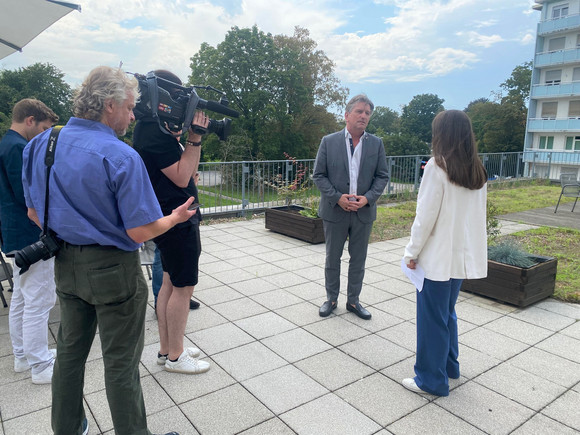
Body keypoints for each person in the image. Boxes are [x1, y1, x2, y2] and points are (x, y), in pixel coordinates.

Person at [22, 66, 190, 435]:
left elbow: (34, 211)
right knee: (120, 362)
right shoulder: (119, 155)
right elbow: (140, 229)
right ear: (109, 105)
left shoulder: (42, 143)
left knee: (69, 353)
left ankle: (67, 428)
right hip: (114, 270)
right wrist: (174, 219)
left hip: (64, 264)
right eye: (130, 108)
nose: (132, 116)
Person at [402, 109, 488, 396]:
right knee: (446, 314)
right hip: (460, 258)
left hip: (437, 258)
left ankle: (431, 379)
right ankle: (450, 366)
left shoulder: (437, 168)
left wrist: (411, 252)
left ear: (442, 134)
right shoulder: (477, 169)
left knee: (431, 320)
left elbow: (425, 216)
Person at [133, 70, 209, 375]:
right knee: (183, 287)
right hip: (179, 219)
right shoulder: (155, 132)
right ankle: (177, 356)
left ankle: (167, 349)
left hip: (168, 217)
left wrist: (189, 145)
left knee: (169, 282)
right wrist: (195, 137)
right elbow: (181, 176)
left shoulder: (152, 129)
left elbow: (187, 171)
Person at [313, 94, 389, 320]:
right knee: (332, 258)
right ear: (347, 115)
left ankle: (354, 301)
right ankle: (331, 298)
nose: (364, 116)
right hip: (335, 211)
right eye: (359, 111)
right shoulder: (329, 141)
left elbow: (382, 176)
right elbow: (319, 175)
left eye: (367, 113)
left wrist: (368, 198)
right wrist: (338, 197)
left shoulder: (376, 143)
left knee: (359, 259)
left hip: (363, 213)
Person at [0, 99, 58, 384]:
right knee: (40, 299)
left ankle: (23, 356)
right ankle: (40, 365)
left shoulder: (6, 143)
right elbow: (28, 197)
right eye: (44, 128)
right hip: (29, 234)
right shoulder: (18, 148)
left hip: (14, 233)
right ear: (30, 120)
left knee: (23, 297)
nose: (46, 135)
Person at [151, 171, 200, 311]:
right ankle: (162, 301)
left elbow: (190, 174)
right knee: (162, 262)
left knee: (175, 280)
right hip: (169, 216)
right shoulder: (156, 149)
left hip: (181, 215)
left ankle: (175, 299)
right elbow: (183, 179)